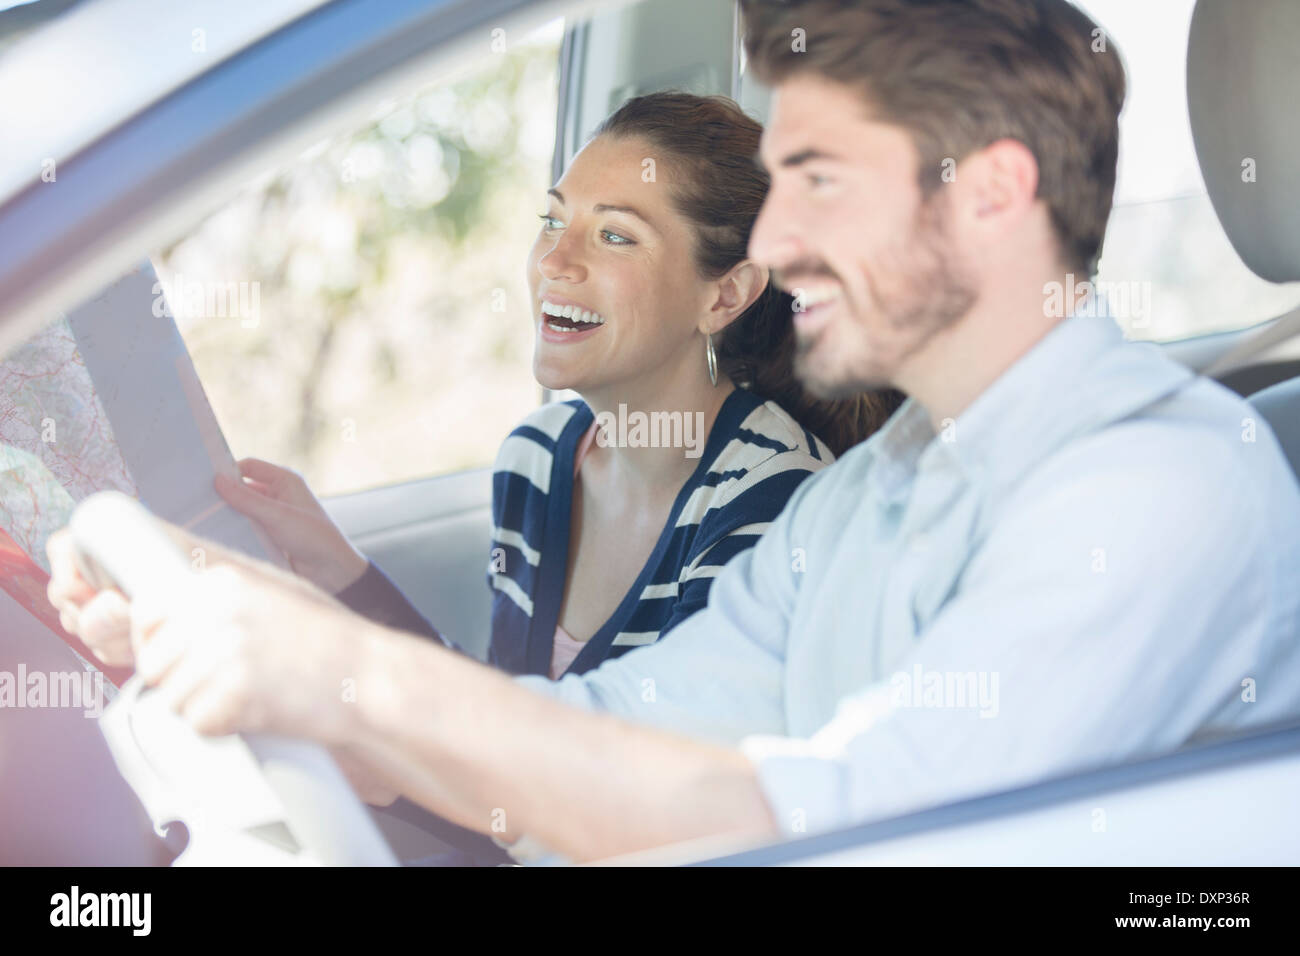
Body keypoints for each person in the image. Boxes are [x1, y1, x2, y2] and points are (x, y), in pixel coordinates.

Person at [49, 0, 1300, 864]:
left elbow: (841, 831)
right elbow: (603, 733)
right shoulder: (866, 497)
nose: (775, 240)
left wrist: (355, 678)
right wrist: (286, 642)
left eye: (817, 177)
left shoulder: (1154, 490)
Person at [87, 92, 897, 687]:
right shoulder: (538, 455)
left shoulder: (774, 505)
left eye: (614, 235)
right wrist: (340, 573)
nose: (553, 262)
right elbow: (503, 732)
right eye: (554, 220)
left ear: (724, 295)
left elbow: (617, 800)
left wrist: (335, 697)